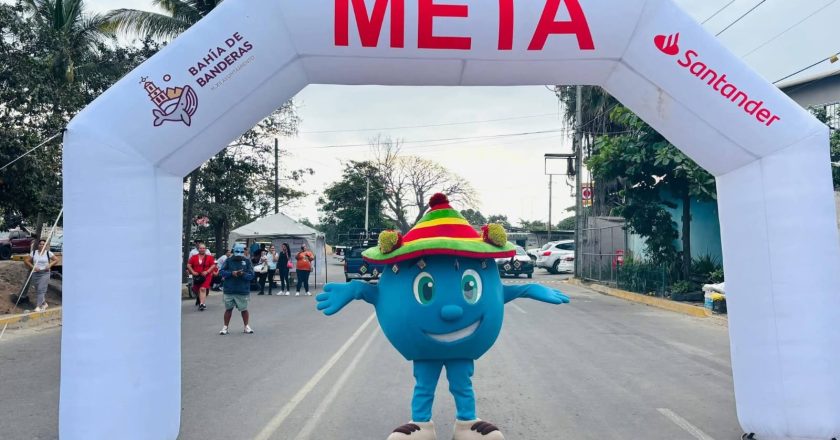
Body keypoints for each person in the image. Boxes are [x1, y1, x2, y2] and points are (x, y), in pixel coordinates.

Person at [219, 243, 255, 335]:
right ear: (233, 251)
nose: (239, 253)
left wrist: (243, 274)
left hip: (242, 290)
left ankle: (246, 326)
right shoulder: (228, 260)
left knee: (244, 309)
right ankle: (225, 327)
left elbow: (251, 276)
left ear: (244, 252)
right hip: (229, 289)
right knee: (228, 309)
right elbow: (221, 272)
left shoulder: (247, 261)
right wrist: (232, 273)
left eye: (241, 251)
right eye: (237, 251)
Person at [23, 239, 58, 312]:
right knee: (38, 290)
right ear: (38, 245)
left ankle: (38, 306)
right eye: (40, 244)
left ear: (46, 246)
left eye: (43, 244)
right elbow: (26, 261)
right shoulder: (34, 253)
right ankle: (44, 303)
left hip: (45, 273)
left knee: (41, 289)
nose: (42, 245)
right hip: (35, 273)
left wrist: (50, 265)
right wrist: (33, 267)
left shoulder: (48, 253)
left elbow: (56, 260)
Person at [187, 244, 215, 311]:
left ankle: (202, 304)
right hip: (197, 276)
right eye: (200, 248)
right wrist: (193, 272)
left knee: (202, 288)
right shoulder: (194, 257)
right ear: (198, 249)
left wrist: (207, 271)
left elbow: (213, 265)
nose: (202, 249)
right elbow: (188, 265)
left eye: (203, 248)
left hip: (206, 276)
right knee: (197, 289)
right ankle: (199, 299)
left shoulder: (210, 257)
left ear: (205, 249)